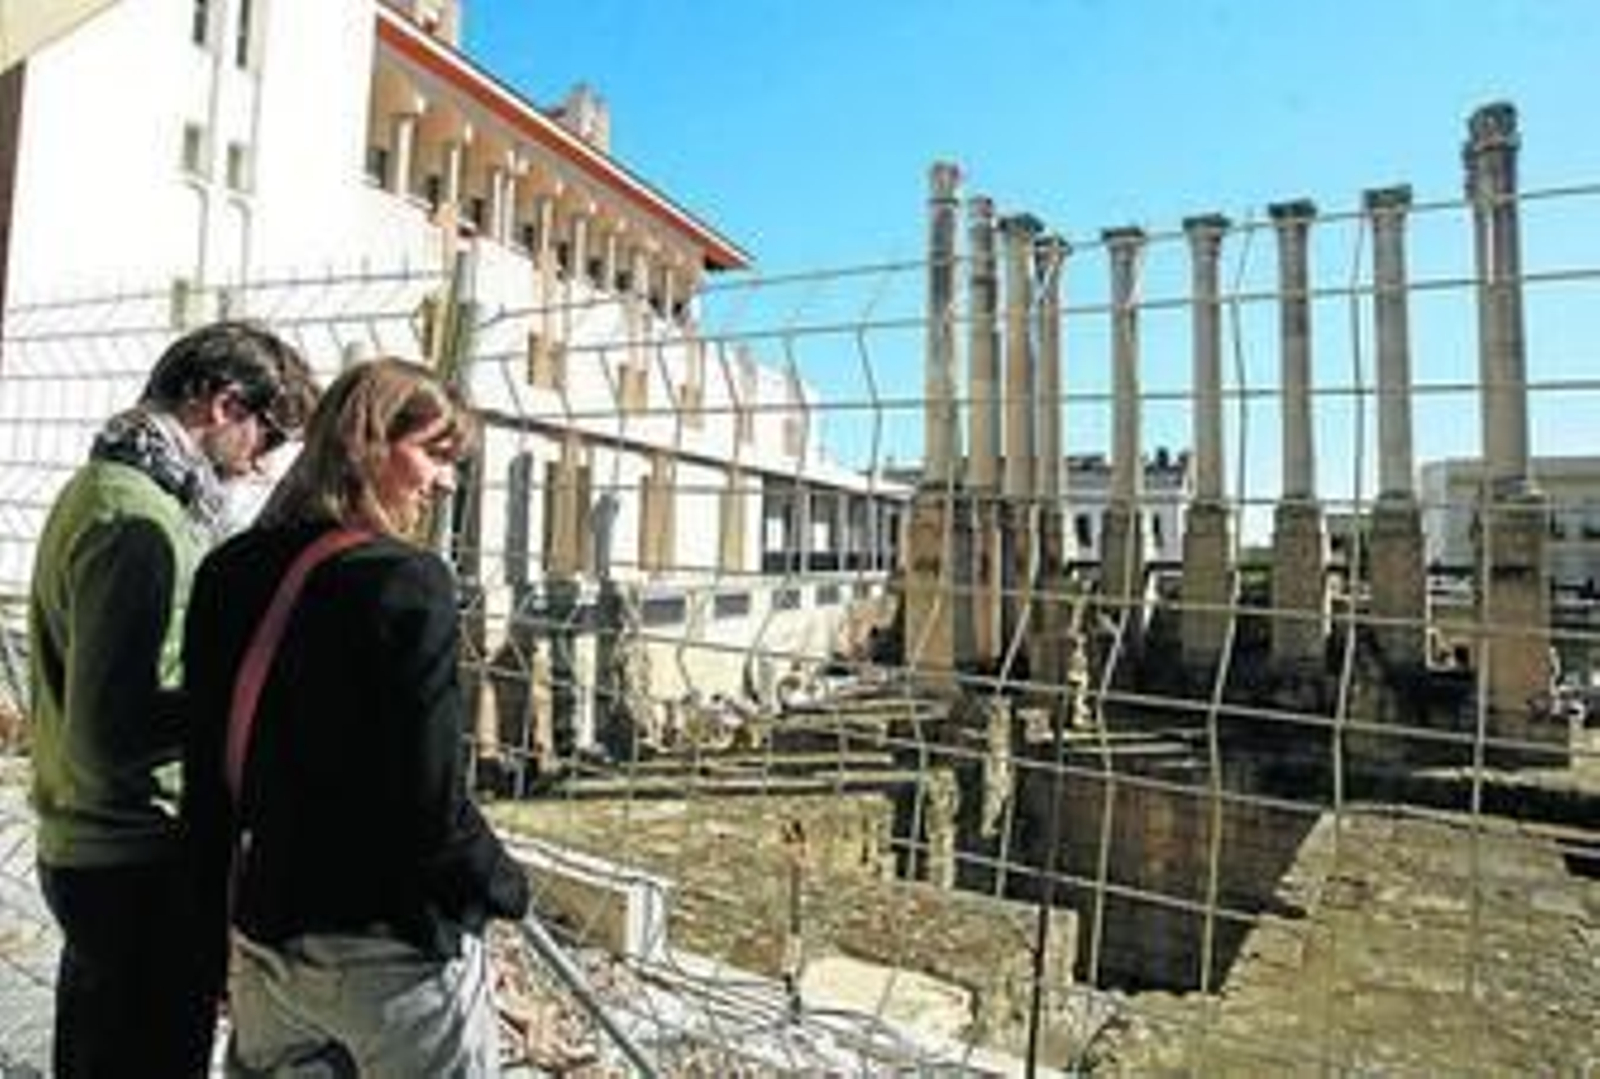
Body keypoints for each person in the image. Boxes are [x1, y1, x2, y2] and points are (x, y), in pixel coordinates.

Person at [181, 358, 530, 1076]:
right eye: (433, 454)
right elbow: (430, 804)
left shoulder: (229, 569)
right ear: (367, 442)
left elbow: (208, 779)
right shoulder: (408, 581)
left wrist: (212, 933)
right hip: (390, 953)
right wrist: (503, 886)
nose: (446, 481)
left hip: (267, 938)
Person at [27, 320, 318, 1078]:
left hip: (91, 846)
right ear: (224, 404)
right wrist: (248, 693)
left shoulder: (105, 487)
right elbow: (113, 727)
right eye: (269, 436)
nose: (262, 464)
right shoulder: (138, 521)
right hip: (132, 858)